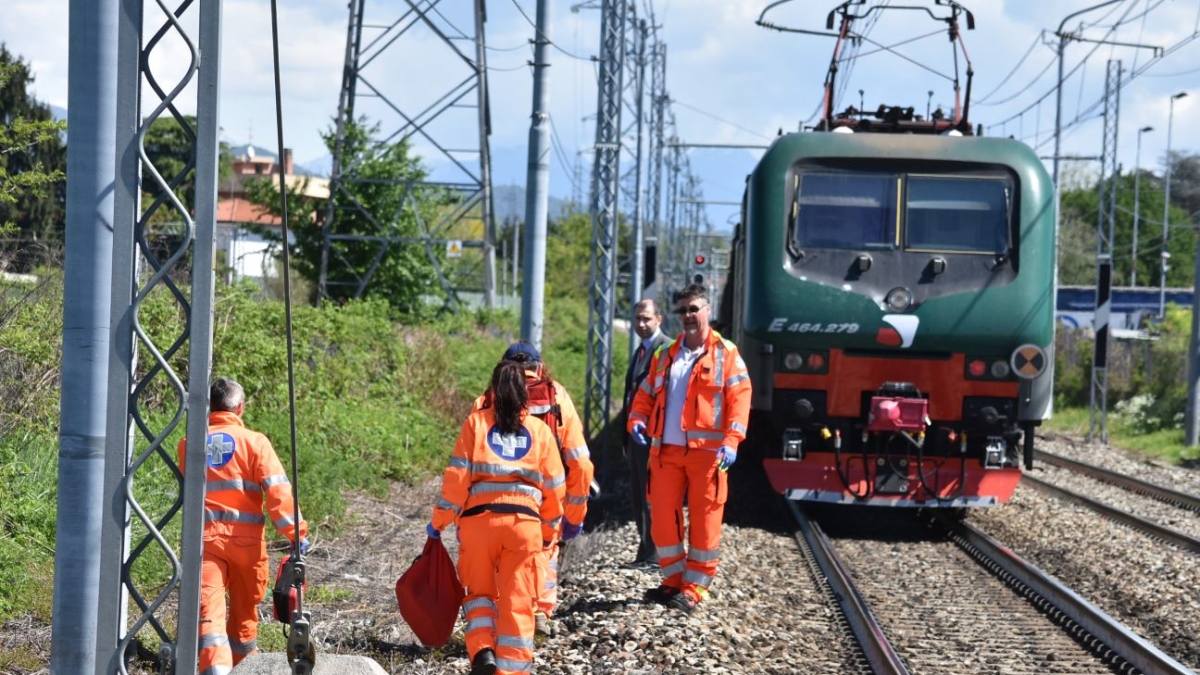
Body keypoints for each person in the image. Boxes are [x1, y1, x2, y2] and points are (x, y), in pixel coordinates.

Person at [430, 361, 567, 675]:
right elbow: (555, 490)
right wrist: (547, 532)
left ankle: (482, 651)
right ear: (525, 394)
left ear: (491, 390)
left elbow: (456, 481)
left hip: (479, 527)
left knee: (478, 595)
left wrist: (439, 522)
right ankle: (512, 670)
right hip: (525, 530)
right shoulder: (540, 431)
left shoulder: (475, 424)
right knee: (517, 604)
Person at [626, 283, 752, 613]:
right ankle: (674, 580)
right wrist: (636, 419)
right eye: (683, 310)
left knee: (704, 520)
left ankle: (695, 587)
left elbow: (741, 399)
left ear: (707, 310)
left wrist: (732, 441)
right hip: (666, 453)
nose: (688, 316)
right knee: (662, 520)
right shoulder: (665, 354)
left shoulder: (726, 353)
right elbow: (645, 395)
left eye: (694, 309)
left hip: (708, 455)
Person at [177, 377, 309, 674]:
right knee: (244, 613)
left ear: (209, 407)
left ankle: (216, 669)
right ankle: (246, 666)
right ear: (241, 407)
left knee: (208, 612)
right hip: (247, 546)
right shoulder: (255, 442)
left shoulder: (188, 444)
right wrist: (296, 535)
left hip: (206, 543)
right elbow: (279, 493)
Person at [475, 341, 594, 637]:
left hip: (494, 496)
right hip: (543, 494)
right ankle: (538, 611)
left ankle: (501, 616)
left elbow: (468, 456)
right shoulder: (556, 396)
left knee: (500, 556)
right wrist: (575, 515)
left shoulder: (487, 398)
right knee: (544, 549)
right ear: (539, 367)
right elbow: (580, 464)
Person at [620, 299, 670, 571]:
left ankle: (654, 555)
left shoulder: (666, 350)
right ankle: (644, 551)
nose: (641, 324)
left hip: (653, 436)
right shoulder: (642, 351)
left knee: (652, 496)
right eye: (638, 318)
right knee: (639, 496)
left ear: (659, 319)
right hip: (636, 437)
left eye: (647, 319)